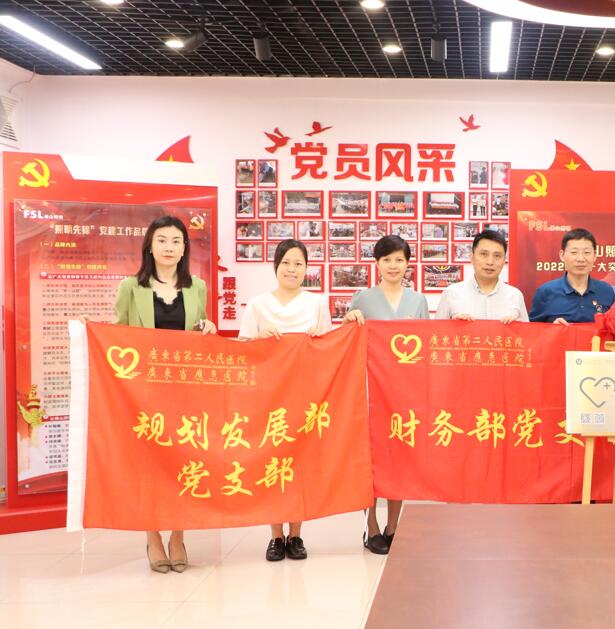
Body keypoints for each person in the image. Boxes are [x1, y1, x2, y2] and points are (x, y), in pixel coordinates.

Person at [114, 215, 216, 574]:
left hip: (185, 391)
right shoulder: (131, 287)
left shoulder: (197, 287)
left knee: (183, 461)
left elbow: (200, 331)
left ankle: (178, 535)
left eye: (176, 241)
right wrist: (88, 332)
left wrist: (208, 327)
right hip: (145, 393)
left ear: (184, 248)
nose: (169, 247)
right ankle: (153, 536)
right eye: (162, 240)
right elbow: (118, 336)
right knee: (150, 465)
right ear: (150, 245)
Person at [238, 239, 332, 562]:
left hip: (305, 395)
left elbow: (328, 350)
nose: (292, 269)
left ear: (307, 269)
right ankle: (275, 536)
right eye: (286, 263)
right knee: (272, 462)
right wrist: (259, 339)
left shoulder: (317, 303)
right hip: (269, 395)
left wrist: (318, 341)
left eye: (298, 264)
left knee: (299, 463)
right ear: (276, 266)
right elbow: (242, 350)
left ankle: (296, 534)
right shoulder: (258, 305)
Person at [343, 235, 428, 555]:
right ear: (377, 263)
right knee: (371, 460)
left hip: (404, 393)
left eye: (399, 260)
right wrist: (349, 319)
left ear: (408, 264)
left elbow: (426, 348)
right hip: (370, 390)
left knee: (399, 460)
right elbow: (348, 341)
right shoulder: (363, 298)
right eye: (387, 260)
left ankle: (394, 526)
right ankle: (372, 525)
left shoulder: (417, 300)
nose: (393, 266)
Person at [435, 230, 527, 323]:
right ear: (472, 257)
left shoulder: (515, 295)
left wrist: (517, 327)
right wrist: (454, 326)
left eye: (497, 256)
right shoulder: (451, 293)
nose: (490, 262)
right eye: (484, 254)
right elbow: (437, 330)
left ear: (504, 261)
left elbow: (526, 331)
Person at [528, 228, 615, 324]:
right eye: (574, 252)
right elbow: (533, 330)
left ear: (594, 255)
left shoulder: (606, 291)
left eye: (587, 253)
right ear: (562, 255)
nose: (581, 259)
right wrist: (552, 328)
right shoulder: (546, 292)